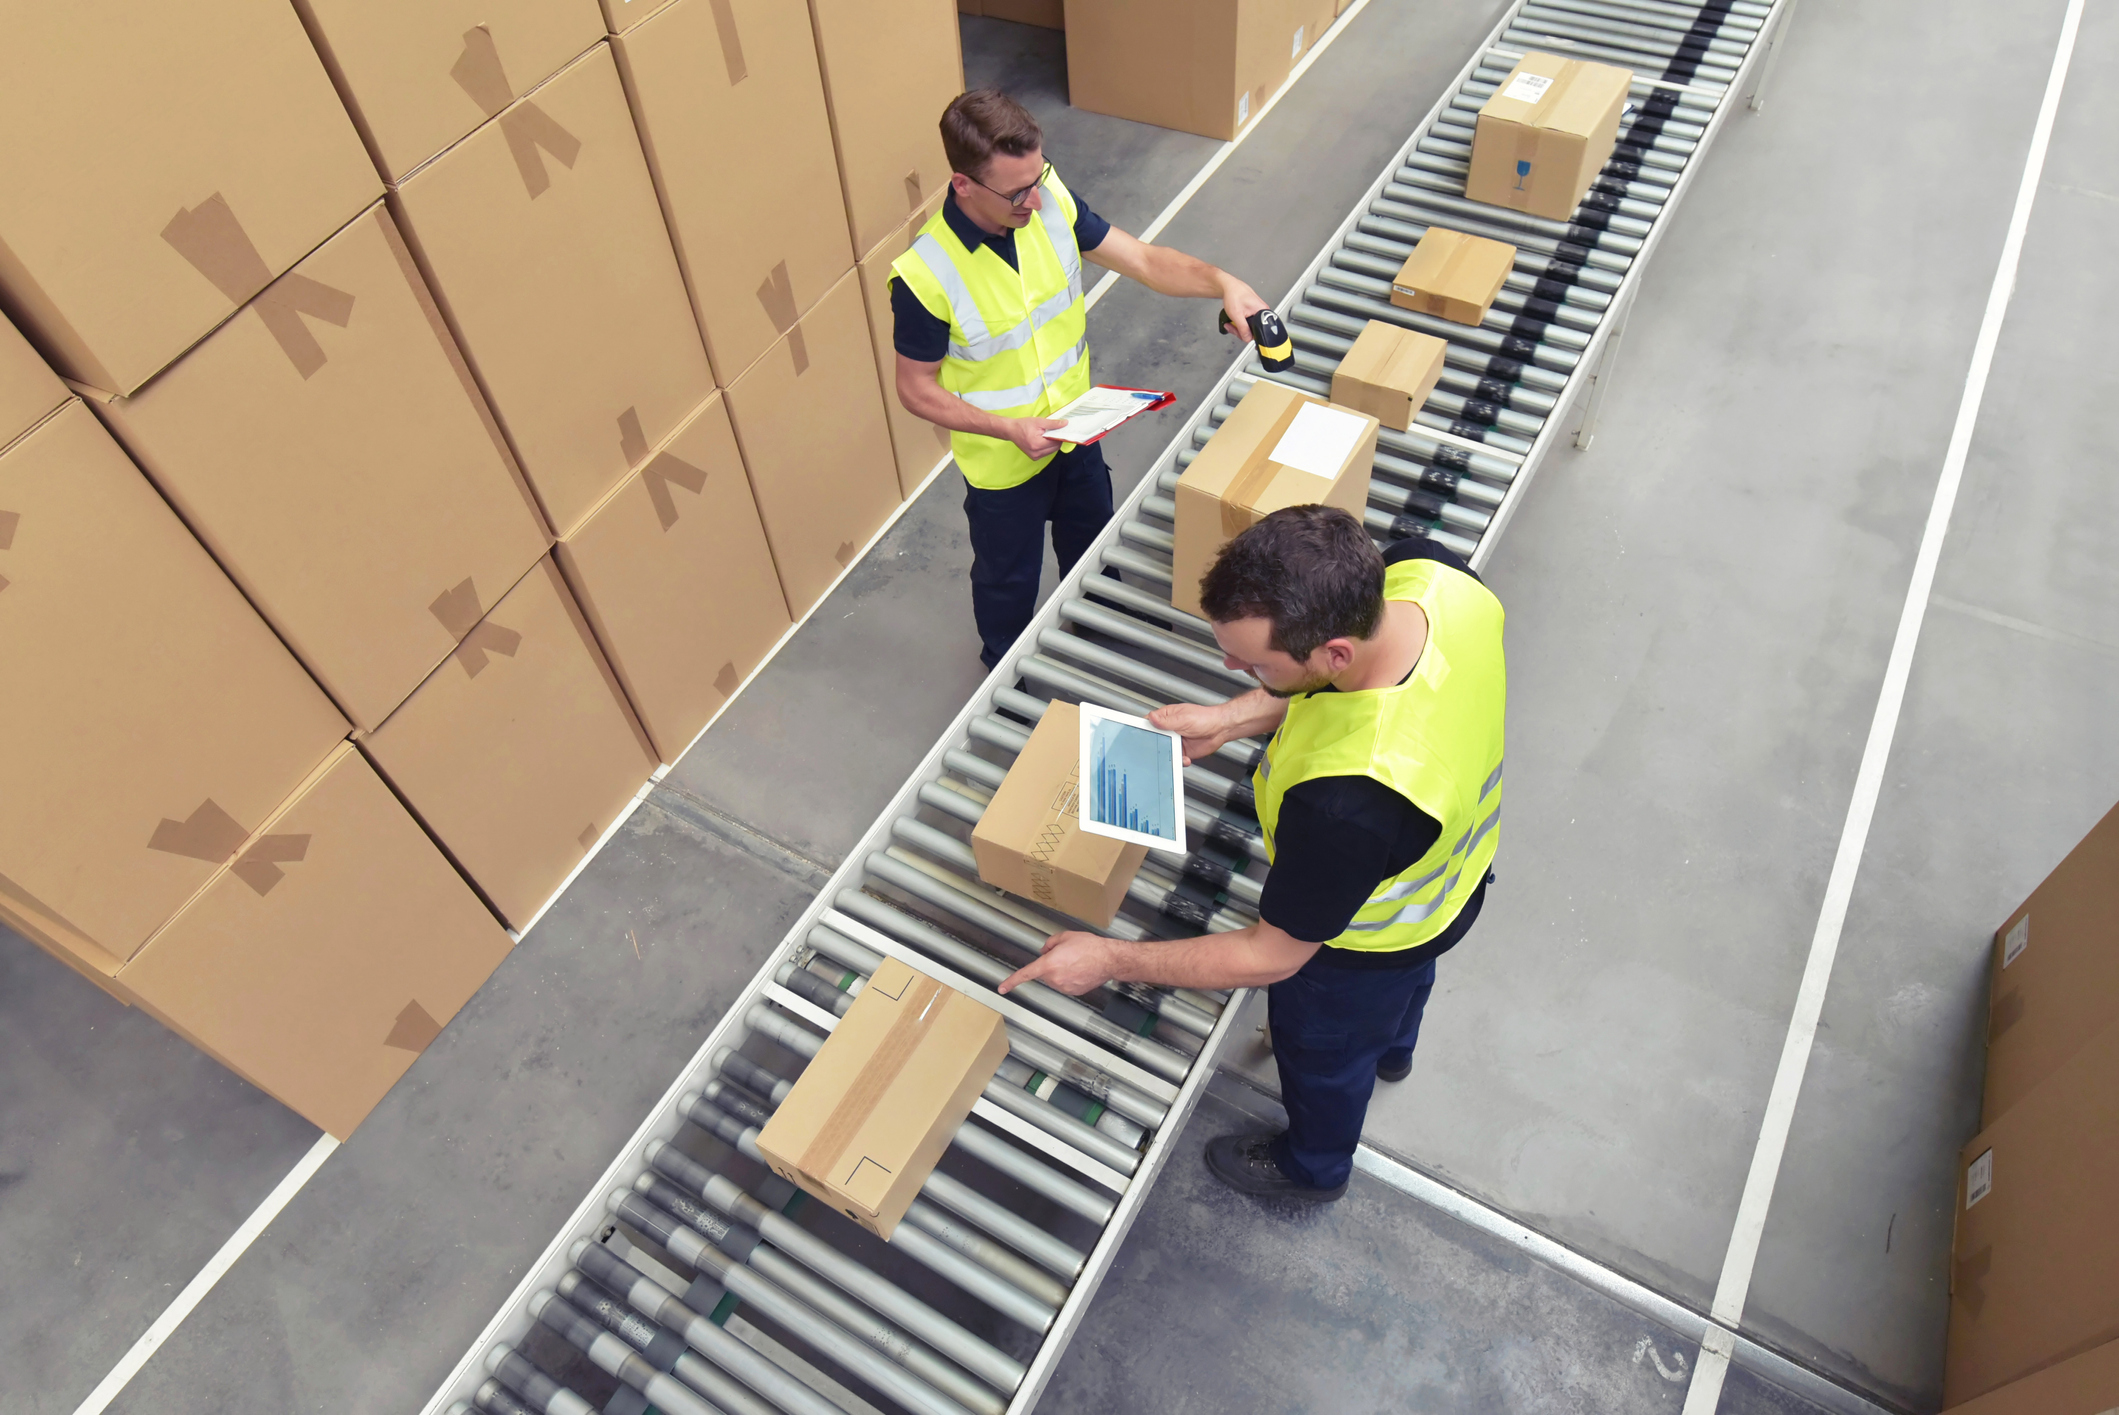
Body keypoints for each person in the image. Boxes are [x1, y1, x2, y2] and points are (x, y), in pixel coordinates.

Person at [1000, 506, 1507, 1202]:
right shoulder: (1432, 577)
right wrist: (1230, 717)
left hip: (1364, 941)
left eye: (1254, 663)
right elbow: (1346, 681)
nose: (1233, 668)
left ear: (1331, 653)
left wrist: (1109, 958)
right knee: (1405, 991)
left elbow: (1271, 956)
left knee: (1324, 1056)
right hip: (1449, 882)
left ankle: (1312, 1167)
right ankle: (1394, 1049)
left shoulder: (1349, 802)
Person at [890, 89, 1273, 669]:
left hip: (1078, 429)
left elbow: (1142, 259)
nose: (1035, 197)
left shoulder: (1048, 200)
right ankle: (1007, 674)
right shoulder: (925, 274)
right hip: (1004, 462)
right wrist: (1007, 427)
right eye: (1017, 190)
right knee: (1006, 582)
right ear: (963, 184)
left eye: (1039, 175)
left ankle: (1100, 622)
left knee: (1093, 544)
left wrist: (1223, 283)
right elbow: (915, 388)